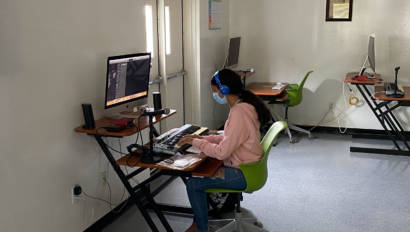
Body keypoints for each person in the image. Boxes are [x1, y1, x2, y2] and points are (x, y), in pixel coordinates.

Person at [177, 69, 272, 232]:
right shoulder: (244, 105)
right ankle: (202, 219)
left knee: (193, 184)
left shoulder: (239, 112)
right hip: (250, 168)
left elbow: (222, 152)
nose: (214, 95)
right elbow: (229, 137)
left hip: (243, 173)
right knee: (202, 171)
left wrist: (198, 143)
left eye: (214, 91)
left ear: (224, 90)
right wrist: (201, 139)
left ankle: (200, 228)